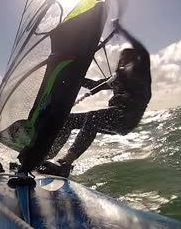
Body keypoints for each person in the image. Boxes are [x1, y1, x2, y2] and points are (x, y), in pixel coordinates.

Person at [38, 25, 152, 177]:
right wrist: (70, 75)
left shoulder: (141, 73)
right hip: (114, 117)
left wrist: (122, 30)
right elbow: (94, 85)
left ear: (135, 60)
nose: (123, 62)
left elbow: (143, 52)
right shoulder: (117, 79)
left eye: (127, 59)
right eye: (122, 59)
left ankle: (66, 162)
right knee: (69, 120)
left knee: (93, 117)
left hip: (128, 119)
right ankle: (44, 158)